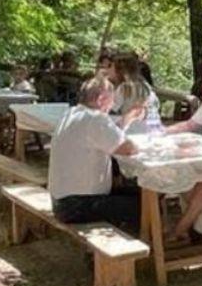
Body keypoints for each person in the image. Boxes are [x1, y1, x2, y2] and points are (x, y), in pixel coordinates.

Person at [48, 77, 143, 232]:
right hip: (76, 205)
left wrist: (127, 119)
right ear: (101, 99)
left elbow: (109, 135)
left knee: (139, 193)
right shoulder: (96, 119)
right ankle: (129, 250)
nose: (112, 106)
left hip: (61, 200)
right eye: (111, 101)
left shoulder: (71, 113)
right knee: (144, 204)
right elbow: (128, 149)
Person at [110, 52, 162, 135]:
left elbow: (112, 108)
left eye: (111, 67)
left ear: (120, 71)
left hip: (130, 128)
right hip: (146, 128)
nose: (109, 70)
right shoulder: (145, 86)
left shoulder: (125, 88)